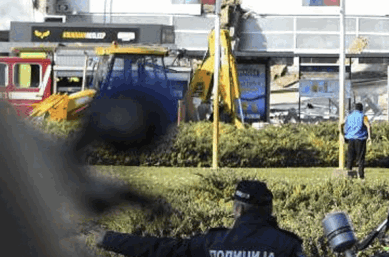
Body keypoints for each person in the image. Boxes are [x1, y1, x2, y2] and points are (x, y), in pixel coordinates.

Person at [92, 180, 305, 257]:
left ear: (237, 210)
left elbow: (158, 248)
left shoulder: (212, 242)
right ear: (269, 210)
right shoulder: (287, 245)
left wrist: (108, 239)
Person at [343, 102, 371, 179]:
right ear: (361, 109)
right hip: (360, 139)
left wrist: (343, 134)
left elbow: (341, 123)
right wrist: (369, 137)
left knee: (350, 157)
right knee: (361, 158)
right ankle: (361, 175)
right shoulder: (363, 116)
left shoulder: (349, 116)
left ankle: (348, 173)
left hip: (351, 139)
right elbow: (368, 125)